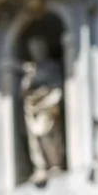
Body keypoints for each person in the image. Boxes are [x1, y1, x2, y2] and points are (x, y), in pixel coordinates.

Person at [20, 35, 65, 185]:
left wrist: (48, 100)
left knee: (48, 136)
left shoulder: (52, 66)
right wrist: (29, 78)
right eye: (33, 49)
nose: (36, 52)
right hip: (33, 108)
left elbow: (57, 87)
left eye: (39, 48)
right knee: (35, 139)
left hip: (48, 104)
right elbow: (23, 92)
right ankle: (40, 167)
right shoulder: (32, 70)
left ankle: (54, 164)